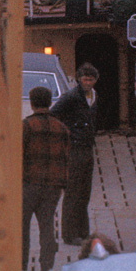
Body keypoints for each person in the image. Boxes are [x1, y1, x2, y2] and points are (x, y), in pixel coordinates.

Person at [20, 85, 69, 271]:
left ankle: (21, 266)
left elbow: (18, 156)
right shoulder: (62, 128)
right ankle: (46, 266)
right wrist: (62, 184)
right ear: (50, 103)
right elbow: (65, 158)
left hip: (28, 184)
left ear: (31, 103)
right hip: (53, 186)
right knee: (47, 226)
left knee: (22, 228)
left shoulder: (25, 126)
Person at [51, 63, 99, 245]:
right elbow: (53, 114)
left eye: (91, 79)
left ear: (95, 80)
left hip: (87, 148)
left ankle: (83, 231)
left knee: (84, 193)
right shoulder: (71, 97)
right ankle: (69, 234)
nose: (87, 82)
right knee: (72, 192)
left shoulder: (94, 96)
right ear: (79, 79)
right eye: (85, 79)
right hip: (74, 149)